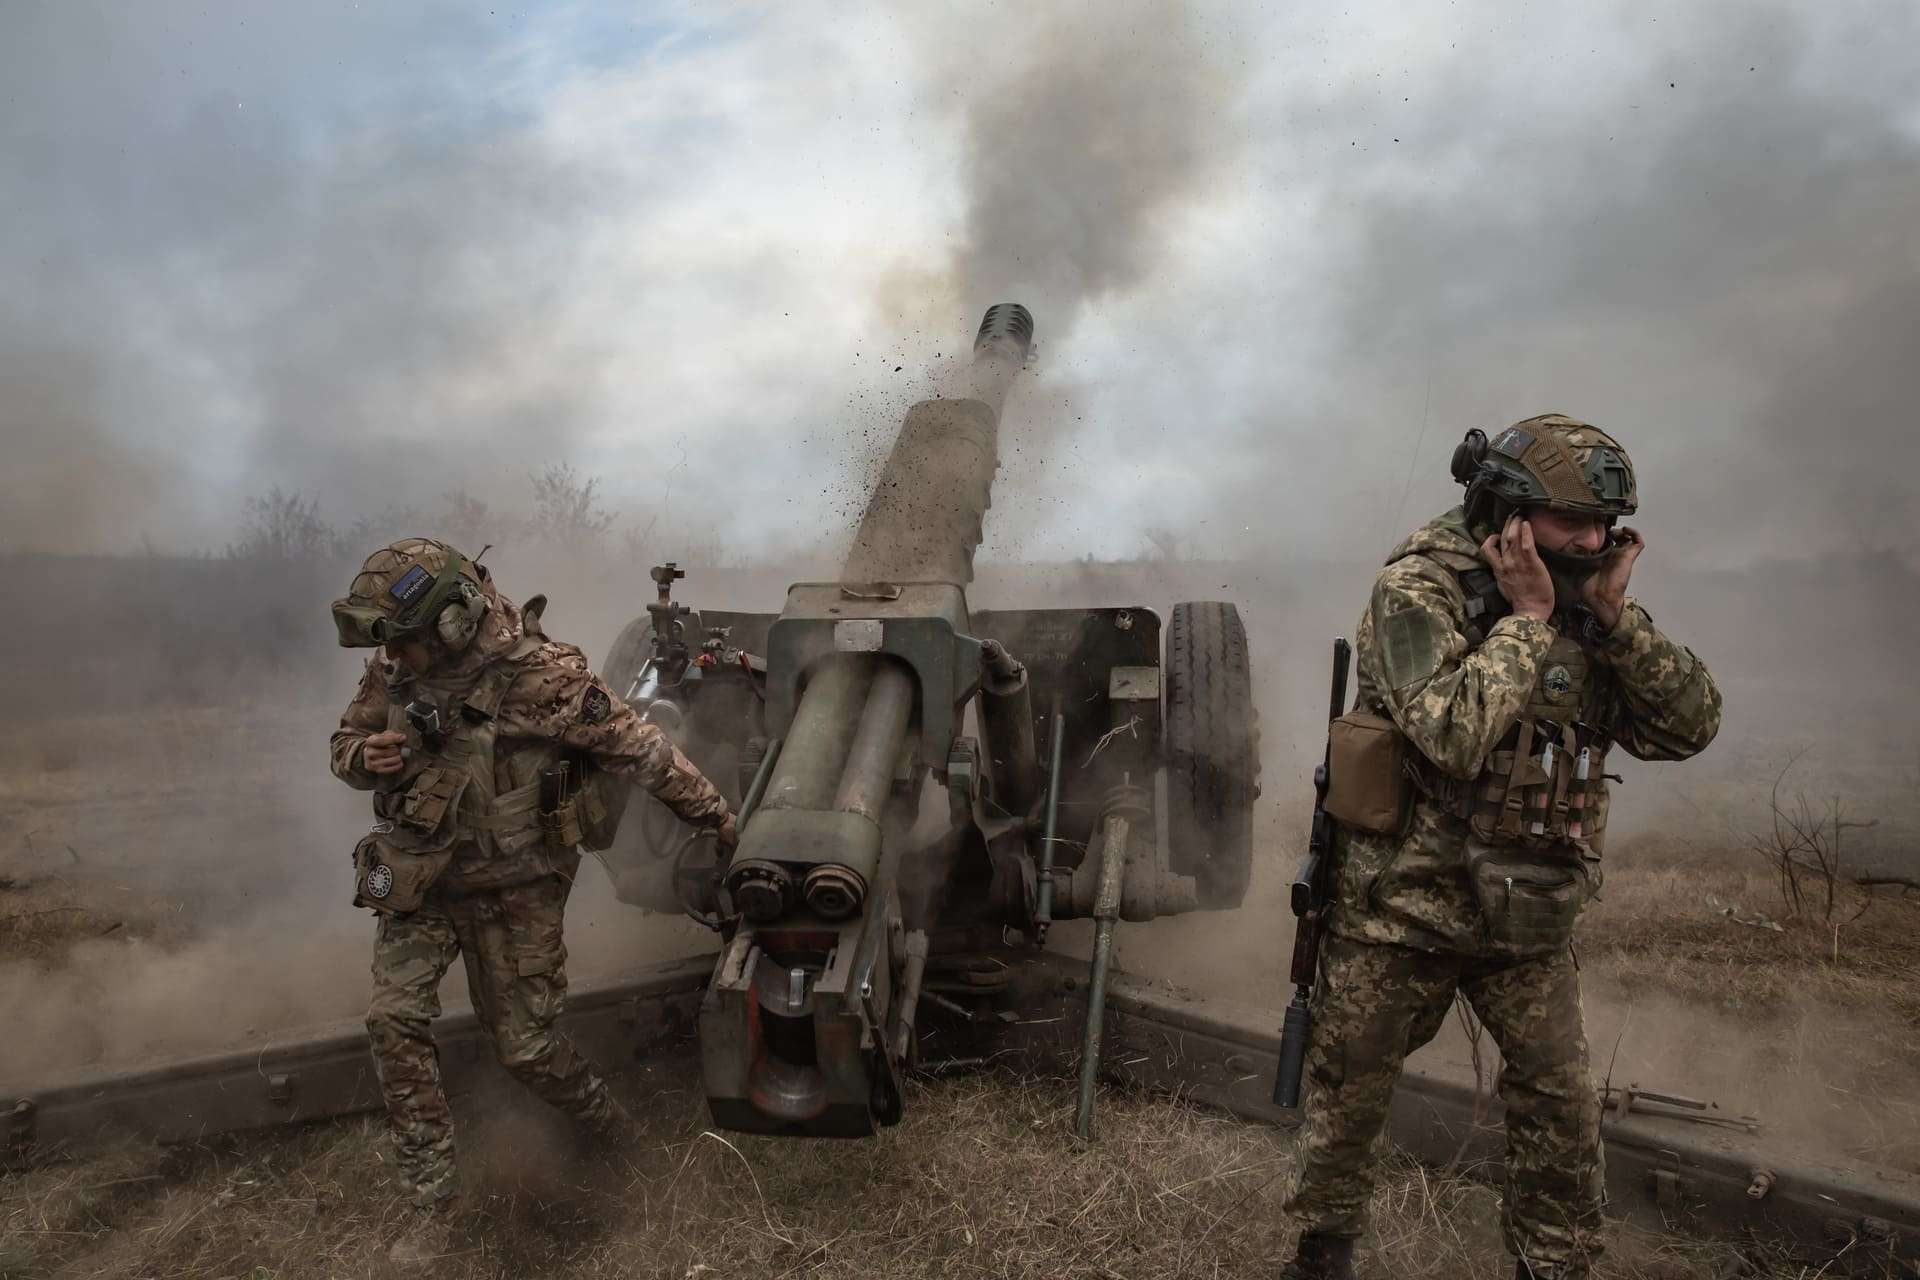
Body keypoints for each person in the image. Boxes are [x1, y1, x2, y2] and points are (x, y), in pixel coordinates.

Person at [1280, 416, 1722, 1280]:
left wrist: (1617, 622)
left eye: (1605, 526)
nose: (1593, 542)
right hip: (1403, 903)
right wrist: (1527, 620)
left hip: (1528, 911)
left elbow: (1689, 728)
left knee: (1560, 1109)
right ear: (1508, 513)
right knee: (1349, 1096)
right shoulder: (1420, 588)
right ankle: (1321, 1254)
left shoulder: (1588, 595)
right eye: (1573, 524)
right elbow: (1450, 733)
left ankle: (1550, 1267)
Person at [329, 538, 737, 1262]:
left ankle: (612, 1134)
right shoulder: (393, 666)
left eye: (413, 642)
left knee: (526, 1048)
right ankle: (432, 1206)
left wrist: (721, 820)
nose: (401, 660)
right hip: (422, 876)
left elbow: (642, 751)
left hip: (516, 886)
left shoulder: (545, 678)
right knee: (392, 1020)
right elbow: (347, 739)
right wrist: (365, 757)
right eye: (393, 646)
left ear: (454, 620)